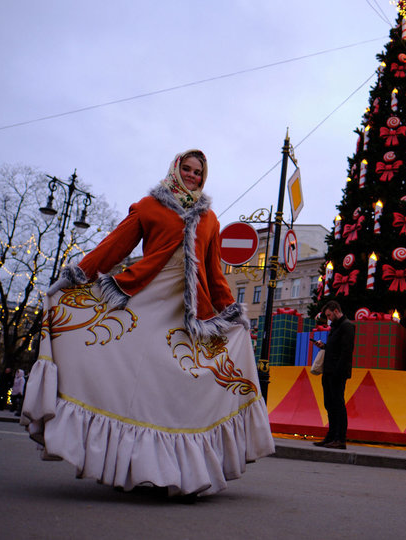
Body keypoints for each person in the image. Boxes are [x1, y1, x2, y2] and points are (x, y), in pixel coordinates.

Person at [21, 149, 275, 497]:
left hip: (188, 313)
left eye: (198, 172)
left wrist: (233, 314)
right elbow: (113, 248)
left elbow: (215, 275)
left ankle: (172, 473)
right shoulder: (148, 206)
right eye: (186, 169)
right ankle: (134, 471)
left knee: (172, 390)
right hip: (144, 302)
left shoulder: (211, 219)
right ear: (174, 169)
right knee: (136, 386)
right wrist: (75, 275)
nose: (191, 176)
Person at [312, 300, 356, 450]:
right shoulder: (336, 326)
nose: (329, 318)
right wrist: (324, 346)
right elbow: (335, 348)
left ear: (336, 311)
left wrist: (338, 372)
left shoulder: (347, 326)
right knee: (329, 404)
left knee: (338, 404)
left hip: (337, 372)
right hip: (329, 371)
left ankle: (340, 438)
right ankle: (331, 436)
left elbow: (346, 352)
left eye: (330, 315)